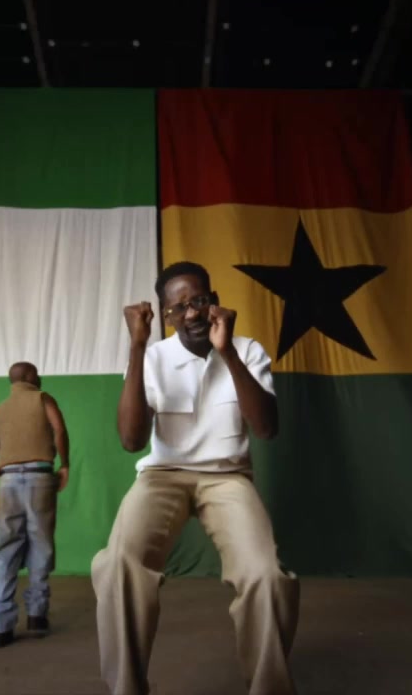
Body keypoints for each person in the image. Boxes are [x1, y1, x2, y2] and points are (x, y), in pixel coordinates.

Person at [91, 261, 300, 694]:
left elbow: (266, 429)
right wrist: (136, 346)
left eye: (199, 301)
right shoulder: (152, 357)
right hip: (163, 476)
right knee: (117, 565)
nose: (191, 313)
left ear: (214, 301)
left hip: (227, 477)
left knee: (266, 575)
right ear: (166, 316)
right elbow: (131, 440)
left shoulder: (247, 349)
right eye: (178, 308)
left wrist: (228, 354)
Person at [0, 361, 70, 648]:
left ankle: (1, 627)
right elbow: (59, 430)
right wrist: (65, 464)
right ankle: (36, 615)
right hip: (39, 477)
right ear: (31, 376)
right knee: (40, 543)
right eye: (37, 372)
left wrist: (3, 466)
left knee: (4, 548)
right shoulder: (42, 398)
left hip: (7, 480)